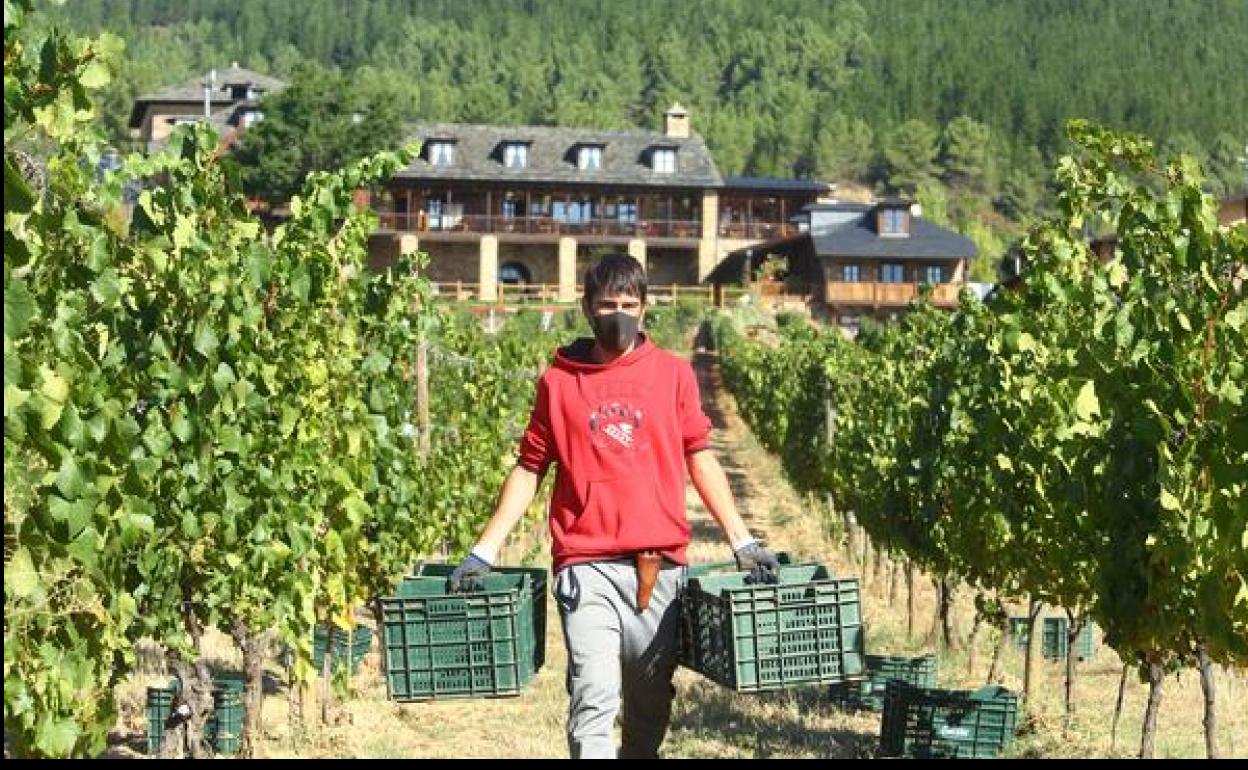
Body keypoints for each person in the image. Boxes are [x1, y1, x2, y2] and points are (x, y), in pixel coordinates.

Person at [450, 253, 779, 759]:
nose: (618, 315)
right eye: (607, 305)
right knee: (595, 694)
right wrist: (484, 550)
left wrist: (743, 540)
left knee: (650, 702)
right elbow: (530, 468)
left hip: (660, 566)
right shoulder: (559, 383)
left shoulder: (672, 375)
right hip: (586, 564)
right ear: (587, 308)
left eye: (628, 304)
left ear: (644, 308)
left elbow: (700, 456)